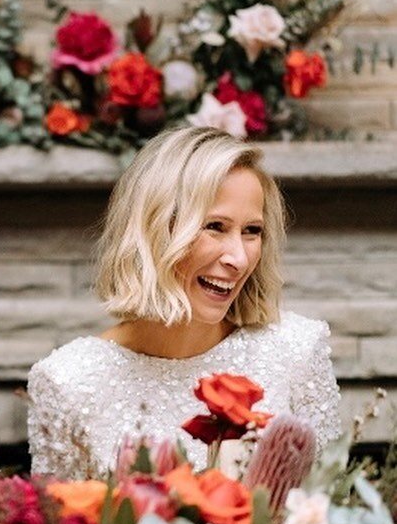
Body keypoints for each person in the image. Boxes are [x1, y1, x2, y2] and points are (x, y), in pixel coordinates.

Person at [27, 126, 341, 480]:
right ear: (155, 231)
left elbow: (331, 516)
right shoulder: (66, 381)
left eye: (252, 231)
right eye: (215, 226)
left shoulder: (297, 351)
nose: (238, 258)